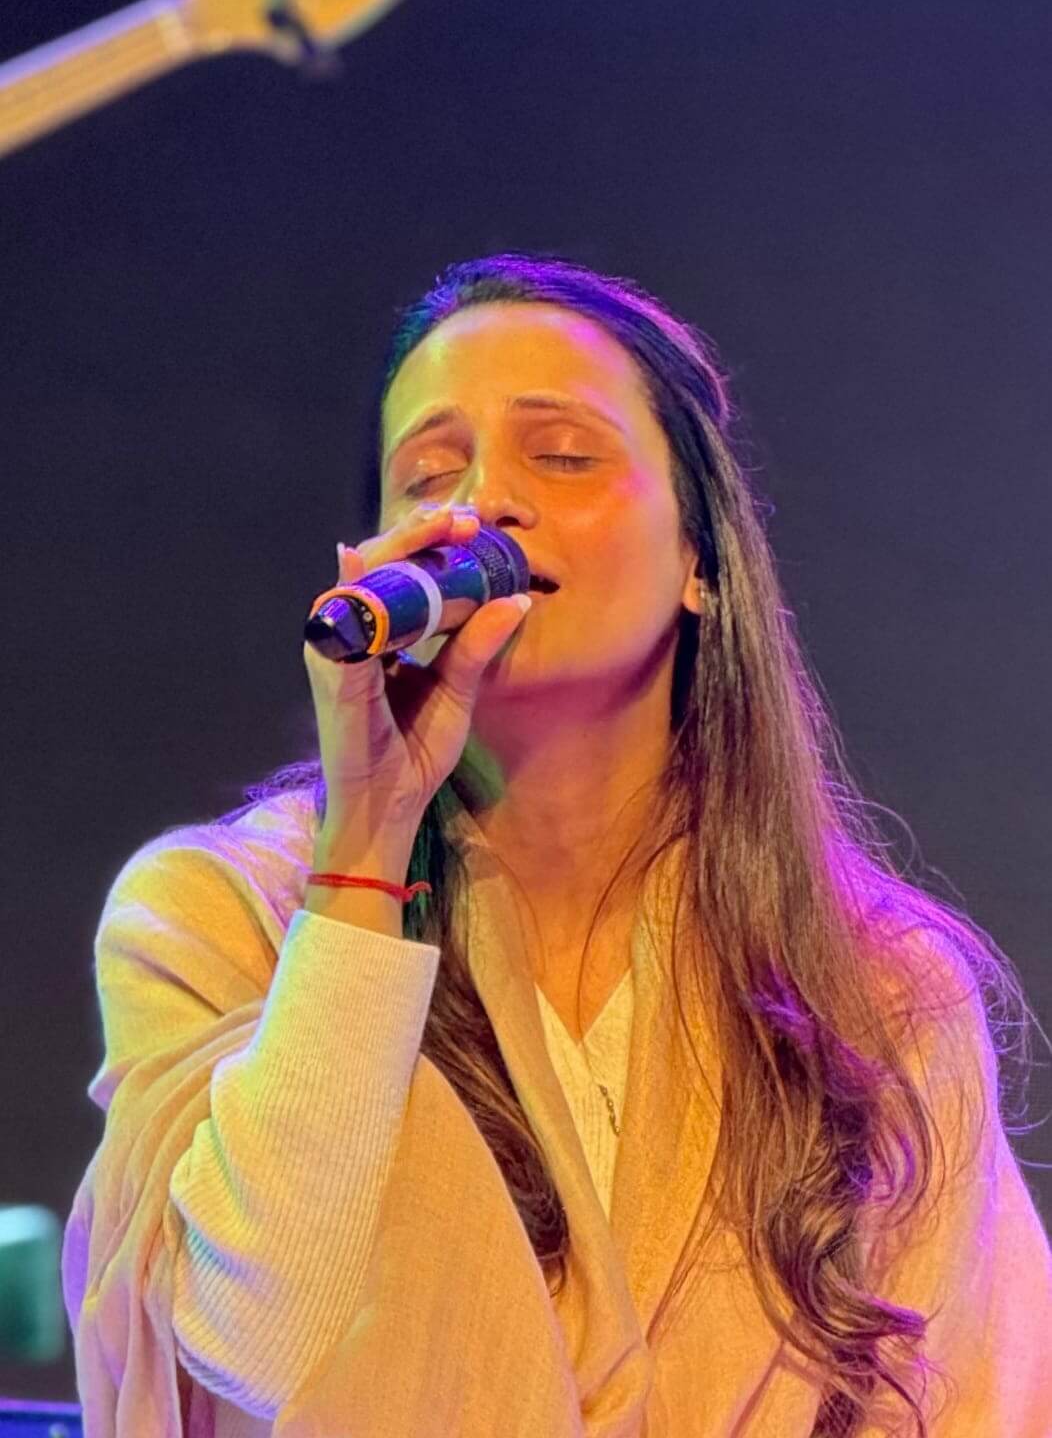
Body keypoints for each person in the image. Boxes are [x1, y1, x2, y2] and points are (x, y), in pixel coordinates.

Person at [62, 253, 1052, 1437]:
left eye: (564, 455)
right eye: (429, 473)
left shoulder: (875, 989)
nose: (485, 501)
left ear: (699, 561)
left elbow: (978, 1400)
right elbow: (255, 1344)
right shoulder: (222, 917)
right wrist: (366, 838)